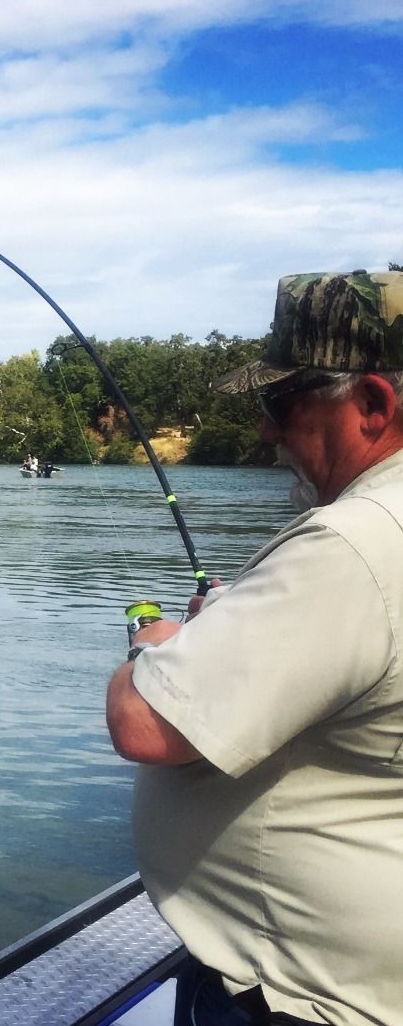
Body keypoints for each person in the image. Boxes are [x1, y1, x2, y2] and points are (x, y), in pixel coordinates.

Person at [106, 269, 403, 1025]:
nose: (267, 429)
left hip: (299, 999)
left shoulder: (355, 543)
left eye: (282, 401)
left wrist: (154, 645)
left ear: (373, 403)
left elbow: (144, 725)